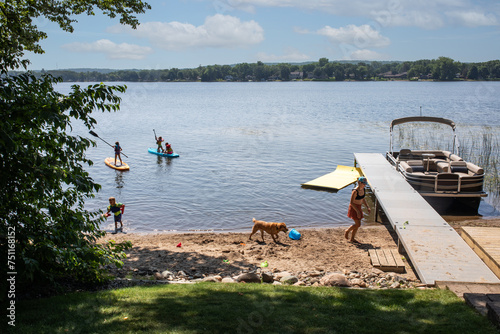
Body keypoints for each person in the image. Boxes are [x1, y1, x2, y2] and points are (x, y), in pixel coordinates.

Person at [345, 176, 371, 243]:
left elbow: (363, 199)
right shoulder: (355, 191)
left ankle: (352, 239)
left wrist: (367, 207)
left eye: (365, 184)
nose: (364, 185)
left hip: (359, 207)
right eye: (363, 183)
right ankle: (347, 231)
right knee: (358, 224)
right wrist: (357, 211)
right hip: (354, 208)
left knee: (357, 224)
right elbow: (351, 203)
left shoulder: (363, 189)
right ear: (359, 182)